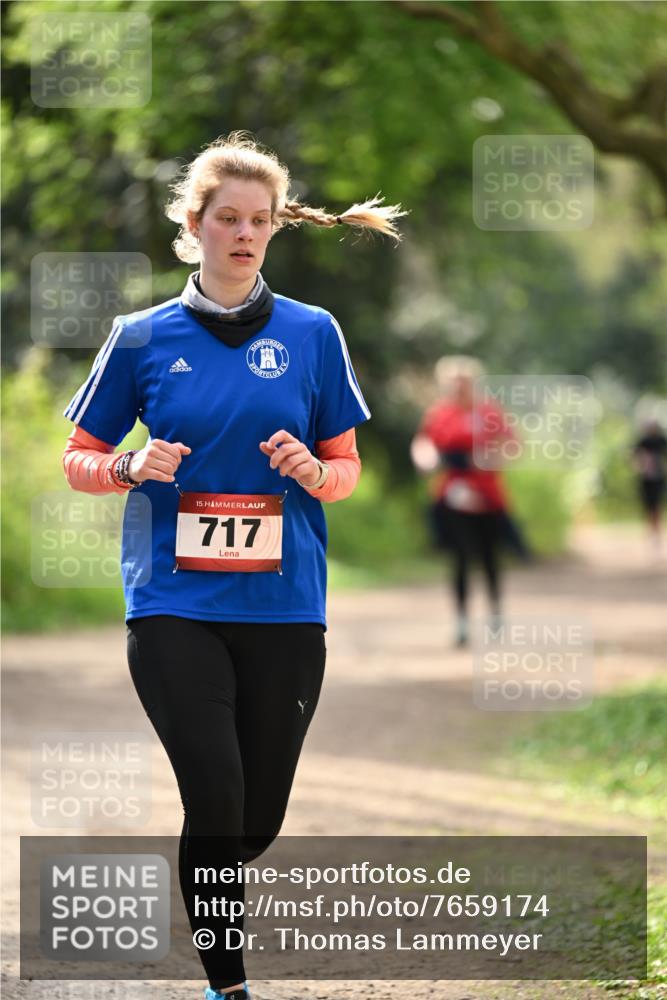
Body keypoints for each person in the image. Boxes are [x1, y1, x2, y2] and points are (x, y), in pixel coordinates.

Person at [61, 131, 405, 999]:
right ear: (194, 224)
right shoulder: (139, 338)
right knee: (213, 795)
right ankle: (228, 987)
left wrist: (313, 474)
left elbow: (345, 470)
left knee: (250, 822)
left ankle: (209, 869)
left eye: (259, 220)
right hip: (172, 600)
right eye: (227, 219)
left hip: (286, 605)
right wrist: (132, 466)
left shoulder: (312, 333)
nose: (244, 233)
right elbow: (79, 457)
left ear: (274, 228)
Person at [410, 355, 518, 647]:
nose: (459, 389)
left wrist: (489, 458)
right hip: (453, 495)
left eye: (464, 384)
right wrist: (426, 458)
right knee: (459, 557)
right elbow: (423, 443)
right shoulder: (440, 413)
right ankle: (461, 621)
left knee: (489, 556)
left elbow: (512, 445)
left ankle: (495, 614)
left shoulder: (489, 412)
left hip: (487, 496)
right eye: (453, 384)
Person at [632, 417, 667, 557]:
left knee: (656, 505)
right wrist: (640, 465)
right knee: (649, 506)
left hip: (658, 478)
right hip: (646, 478)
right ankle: (652, 532)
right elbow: (633, 456)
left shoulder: (661, 441)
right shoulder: (643, 441)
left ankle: (656, 533)